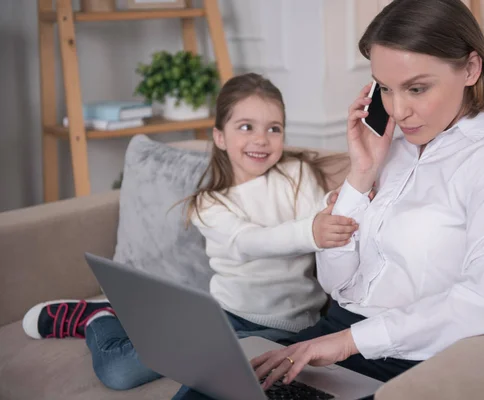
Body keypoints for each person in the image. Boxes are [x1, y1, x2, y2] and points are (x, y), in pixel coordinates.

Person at [175, 1, 484, 397]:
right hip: (334, 332)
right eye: (385, 88)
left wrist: (350, 342)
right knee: (204, 389)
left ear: (471, 68)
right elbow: (338, 284)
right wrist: (360, 176)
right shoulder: (390, 151)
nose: (398, 111)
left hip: (405, 357)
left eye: (417, 88)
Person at [21, 73, 357, 391]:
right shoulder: (209, 204)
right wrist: (311, 231)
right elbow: (248, 242)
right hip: (229, 318)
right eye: (246, 127)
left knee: (254, 371)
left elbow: (321, 212)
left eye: (274, 128)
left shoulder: (296, 174)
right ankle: (99, 319)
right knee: (119, 372)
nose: (261, 139)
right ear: (220, 137)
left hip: (295, 327)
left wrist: (336, 203)